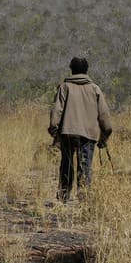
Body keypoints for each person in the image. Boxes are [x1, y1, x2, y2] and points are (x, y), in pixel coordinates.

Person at [49, 57, 113, 201]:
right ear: (86, 70)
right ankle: (84, 200)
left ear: (71, 69)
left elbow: (56, 111)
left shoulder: (65, 87)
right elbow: (104, 115)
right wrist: (105, 134)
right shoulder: (95, 88)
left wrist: (54, 129)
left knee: (66, 164)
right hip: (88, 135)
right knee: (85, 167)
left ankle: (63, 198)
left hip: (67, 133)